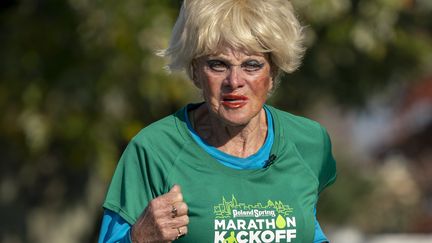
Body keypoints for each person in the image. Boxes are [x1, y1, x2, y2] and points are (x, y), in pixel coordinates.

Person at [98, 0, 337, 242]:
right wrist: (137, 238)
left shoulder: (310, 142)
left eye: (252, 65)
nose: (234, 81)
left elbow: (308, 226)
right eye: (218, 64)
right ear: (195, 72)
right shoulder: (153, 150)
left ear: (273, 72)